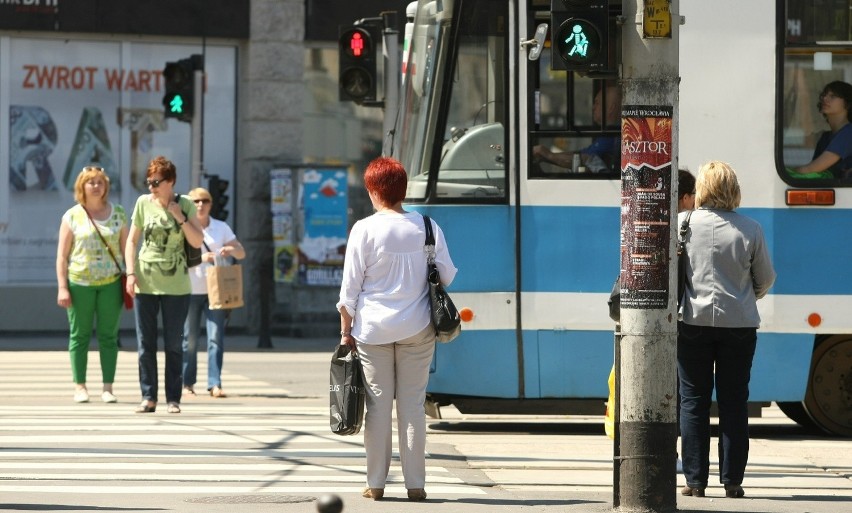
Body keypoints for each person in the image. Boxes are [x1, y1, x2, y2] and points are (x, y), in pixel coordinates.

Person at [336, 156, 457, 502]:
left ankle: (376, 484)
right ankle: (415, 484)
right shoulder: (429, 227)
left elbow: (349, 292)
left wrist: (346, 332)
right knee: (413, 406)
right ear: (403, 190)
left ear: (374, 192)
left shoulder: (364, 229)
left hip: (372, 331)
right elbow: (446, 275)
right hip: (418, 329)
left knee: (377, 407)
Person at [678, 161, 776, 499]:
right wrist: (746, 295)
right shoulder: (751, 228)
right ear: (734, 188)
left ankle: (694, 481)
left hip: (693, 322)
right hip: (740, 325)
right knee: (734, 401)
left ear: (701, 189)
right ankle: (732, 481)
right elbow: (765, 279)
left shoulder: (683, 224)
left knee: (693, 401)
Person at [124, 156, 203, 414]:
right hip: (145, 283)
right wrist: (130, 273)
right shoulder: (142, 204)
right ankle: (148, 397)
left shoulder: (186, 204)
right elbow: (131, 241)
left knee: (173, 344)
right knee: (145, 343)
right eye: (149, 182)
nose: (151, 187)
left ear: (171, 182)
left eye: (156, 182)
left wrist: (179, 216)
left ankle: (173, 399)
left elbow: (196, 241)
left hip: (177, 286)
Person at [56, 166, 128, 404]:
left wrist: (133, 277)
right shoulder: (72, 216)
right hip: (79, 283)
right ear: (82, 187)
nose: (96, 186)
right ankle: (80, 386)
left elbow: (128, 249)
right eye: (91, 182)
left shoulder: (118, 213)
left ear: (106, 186)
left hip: (111, 284)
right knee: (80, 335)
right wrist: (62, 287)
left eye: (100, 182)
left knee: (109, 336)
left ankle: (108, 387)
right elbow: (62, 256)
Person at [182, 187, 246, 399]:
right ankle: (187, 383)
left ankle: (214, 383)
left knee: (215, 337)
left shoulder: (220, 227)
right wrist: (202, 258)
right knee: (189, 340)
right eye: (196, 201)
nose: (200, 205)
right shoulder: (184, 226)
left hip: (216, 291)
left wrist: (230, 250)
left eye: (205, 201)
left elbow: (241, 251)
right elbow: (177, 258)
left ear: (210, 204)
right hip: (190, 288)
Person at [533, 83, 622, 173]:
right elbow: (579, 156)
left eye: (597, 103)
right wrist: (547, 156)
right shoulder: (609, 132)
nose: (593, 107)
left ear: (611, 108)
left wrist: (549, 155)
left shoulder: (612, 137)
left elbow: (585, 159)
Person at [789, 80, 852, 179]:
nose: (824, 98)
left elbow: (811, 169)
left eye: (833, 96)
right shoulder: (825, 138)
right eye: (824, 95)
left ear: (847, 104)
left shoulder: (849, 133)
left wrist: (786, 173)